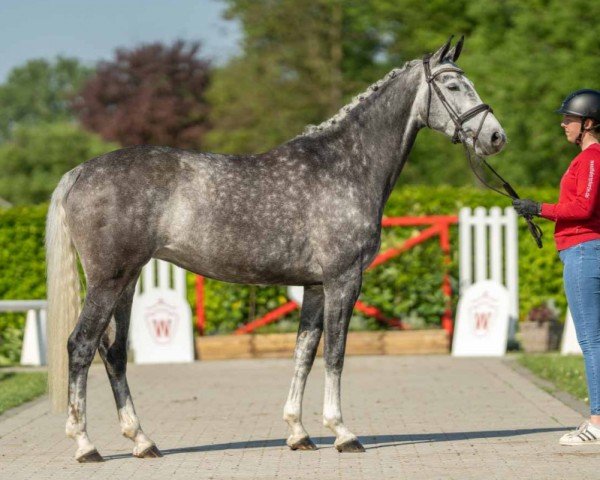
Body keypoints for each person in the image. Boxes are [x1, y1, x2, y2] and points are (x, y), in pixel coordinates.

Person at [513, 89, 600, 445]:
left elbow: (583, 208)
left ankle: (597, 423)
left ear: (588, 123)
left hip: (584, 250)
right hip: (581, 250)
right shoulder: (585, 158)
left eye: (569, 119)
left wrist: (539, 208)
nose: (563, 124)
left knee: (591, 340)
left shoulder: (592, 158)